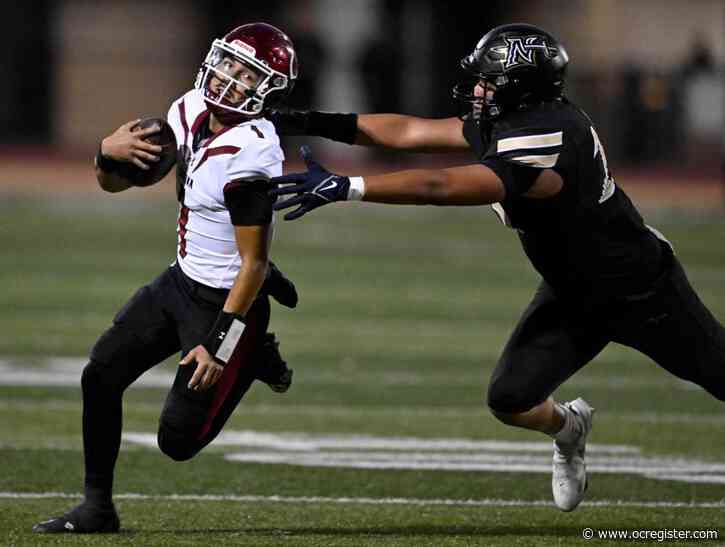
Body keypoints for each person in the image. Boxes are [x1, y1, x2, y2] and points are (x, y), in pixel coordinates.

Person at [269, 23, 725, 512]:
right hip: (572, 295)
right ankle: (570, 429)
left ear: (520, 86)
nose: (478, 88)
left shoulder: (548, 135)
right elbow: (410, 132)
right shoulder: (513, 119)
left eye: (488, 79)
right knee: (510, 398)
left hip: (642, 292)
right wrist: (306, 119)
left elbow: (440, 187)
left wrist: (350, 187)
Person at [34, 22, 299, 533]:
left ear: (267, 88)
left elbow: (254, 264)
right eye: (228, 63)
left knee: (177, 443)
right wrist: (105, 154)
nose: (228, 78)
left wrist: (221, 343)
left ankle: (252, 350)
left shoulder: (252, 154)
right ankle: (97, 508)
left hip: (226, 298)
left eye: (246, 74)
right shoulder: (190, 109)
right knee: (101, 374)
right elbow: (114, 185)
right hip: (180, 280)